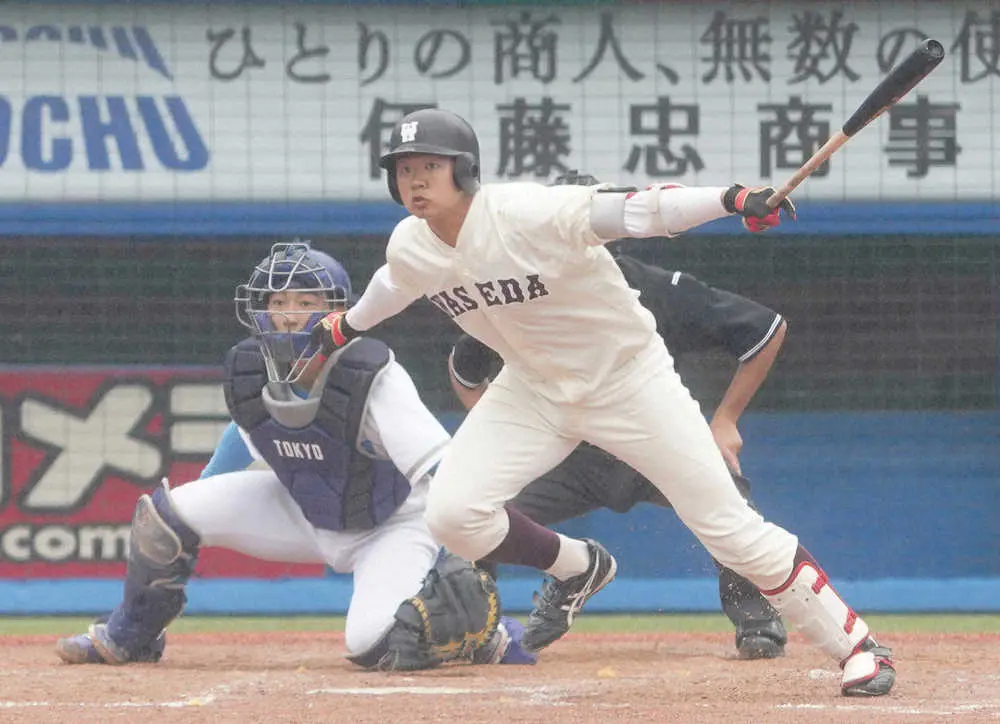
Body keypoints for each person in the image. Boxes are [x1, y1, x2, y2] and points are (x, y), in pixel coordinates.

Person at [308, 107, 895, 696]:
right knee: (453, 515)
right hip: (532, 388)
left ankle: (857, 646)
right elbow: (392, 284)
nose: (415, 180)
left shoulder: (527, 211)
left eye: (430, 166)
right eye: (404, 169)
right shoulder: (411, 244)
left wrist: (733, 197)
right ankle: (578, 567)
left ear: (463, 170)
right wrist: (344, 326)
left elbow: (644, 209)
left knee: (730, 530)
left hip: (627, 381)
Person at [55, 241, 531, 670]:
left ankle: (484, 636)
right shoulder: (249, 369)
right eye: (278, 302)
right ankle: (131, 636)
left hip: (391, 524)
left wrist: (461, 564)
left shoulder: (371, 372)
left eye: (307, 303)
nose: (289, 314)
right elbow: (233, 448)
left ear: (339, 311)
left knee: (375, 644)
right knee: (164, 516)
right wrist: (188, 519)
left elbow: (445, 473)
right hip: (304, 513)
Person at [448, 207, 789, 658]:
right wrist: (501, 432)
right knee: (475, 512)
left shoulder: (651, 286)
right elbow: (465, 371)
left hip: (650, 446)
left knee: (731, 498)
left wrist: (725, 420)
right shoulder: (519, 295)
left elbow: (765, 330)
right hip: (569, 455)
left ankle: (758, 622)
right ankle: (474, 628)